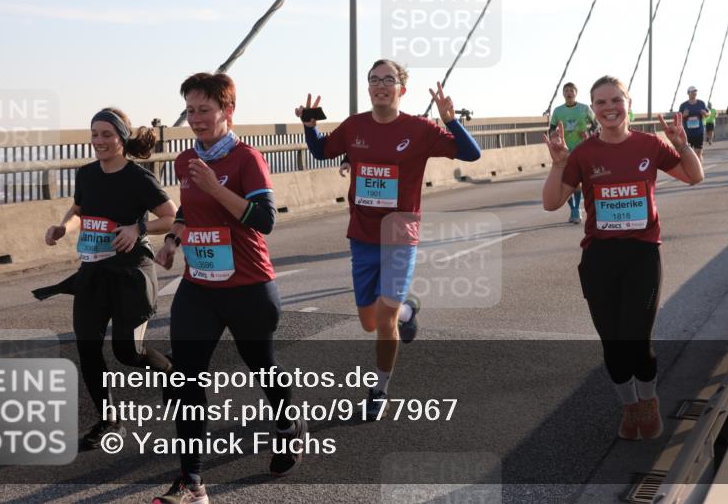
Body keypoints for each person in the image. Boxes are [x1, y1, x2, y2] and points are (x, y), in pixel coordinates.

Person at [298, 59, 481, 420]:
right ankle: (409, 308)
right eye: (374, 79)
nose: (380, 85)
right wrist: (309, 126)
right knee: (369, 321)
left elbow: (471, 153)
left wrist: (450, 120)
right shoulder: (354, 126)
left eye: (388, 79)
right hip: (363, 235)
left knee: (385, 322)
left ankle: (379, 388)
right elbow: (322, 150)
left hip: (400, 233)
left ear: (402, 88)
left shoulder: (420, 128)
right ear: (368, 88)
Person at [152, 73, 305, 504]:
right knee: (187, 378)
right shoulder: (185, 162)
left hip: (249, 286)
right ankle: (192, 482)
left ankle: (286, 425)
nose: (196, 119)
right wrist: (170, 241)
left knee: (262, 366)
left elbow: (265, 220)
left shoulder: (246, 159)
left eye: (205, 110)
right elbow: (186, 211)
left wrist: (216, 188)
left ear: (227, 112)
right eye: (191, 110)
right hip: (199, 285)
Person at [542, 75, 703, 441]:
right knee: (612, 343)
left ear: (628, 103)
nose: (609, 108)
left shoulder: (649, 145)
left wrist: (684, 145)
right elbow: (551, 202)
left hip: (642, 254)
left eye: (615, 100)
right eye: (600, 102)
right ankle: (629, 407)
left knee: (637, 339)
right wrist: (557, 164)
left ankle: (648, 401)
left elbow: (694, 177)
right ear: (593, 110)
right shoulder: (583, 153)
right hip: (599, 257)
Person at [39, 108, 176, 449]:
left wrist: (138, 228)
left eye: (106, 134)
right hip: (93, 272)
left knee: (128, 353)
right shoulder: (86, 175)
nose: (98, 141)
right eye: (94, 133)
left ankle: (173, 375)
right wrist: (62, 227)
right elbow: (80, 212)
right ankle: (109, 420)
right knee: (87, 348)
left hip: (130, 273)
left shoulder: (138, 178)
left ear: (122, 138)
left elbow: (171, 217)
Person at [549, 82, 596, 224]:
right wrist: (554, 134)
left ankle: (576, 209)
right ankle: (573, 208)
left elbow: (596, 125)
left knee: (577, 183)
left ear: (576, 93)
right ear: (563, 94)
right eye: (566, 91)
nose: (569, 93)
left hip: (581, 149)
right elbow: (551, 129)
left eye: (571, 90)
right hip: (564, 151)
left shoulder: (584, 108)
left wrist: (588, 132)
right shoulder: (558, 111)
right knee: (565, 182)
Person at [678, 86, 709, 160]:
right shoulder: (683, 105)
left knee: (698, 153)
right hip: (688, 133)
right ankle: (692, 169)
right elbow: (678, 118)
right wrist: (683, 115)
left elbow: (708, 113)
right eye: (692, 91)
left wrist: (705, 113)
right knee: (688, 154)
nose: (694, 93)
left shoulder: (701, 103)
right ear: (688, 93)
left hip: (699, 132)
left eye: (695, 91)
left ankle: (698, 170)